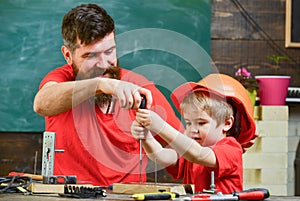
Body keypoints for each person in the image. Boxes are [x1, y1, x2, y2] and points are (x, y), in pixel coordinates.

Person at [33, 3, 183, 186]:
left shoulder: (139, 87)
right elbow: (42, 103)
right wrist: (103, 84)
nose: (104, 64)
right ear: (68, 55)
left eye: (110, 51)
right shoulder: (62, 79)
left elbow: (182, 150)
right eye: (91, 56)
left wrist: (152, 140)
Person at [131, 73, 257, 194]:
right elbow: (161, 156)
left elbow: (199, 155)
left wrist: (161, 126)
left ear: (227, 123)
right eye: (188, 123)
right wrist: (146, 137)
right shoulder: (191, 149)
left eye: (201, 123)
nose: (193, 129)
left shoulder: (231, 149)